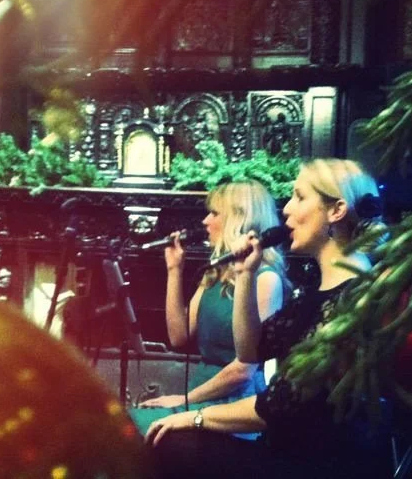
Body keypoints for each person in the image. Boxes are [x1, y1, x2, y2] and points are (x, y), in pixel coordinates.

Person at [144, 159, 390, 479]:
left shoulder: (354, 297)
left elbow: (277, 407)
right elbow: (251, 350)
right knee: (170, 439)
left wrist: (194, 416)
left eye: (299, 197)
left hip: (318, 466)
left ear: (336, 211)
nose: (286, 209)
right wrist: (245, 275)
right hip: (288, 451)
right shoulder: (316, 292)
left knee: (174, 442)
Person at [129, 180, 287, 440]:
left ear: (239, 218)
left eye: (214, 213)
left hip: (233, 408)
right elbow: (178, 336)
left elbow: (243, 370)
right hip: (197, 396)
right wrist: (174, 270)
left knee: (133, 432)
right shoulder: (214, 275)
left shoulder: (266, 279)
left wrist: (182, 400)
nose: (205, 221)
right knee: (122, 426)